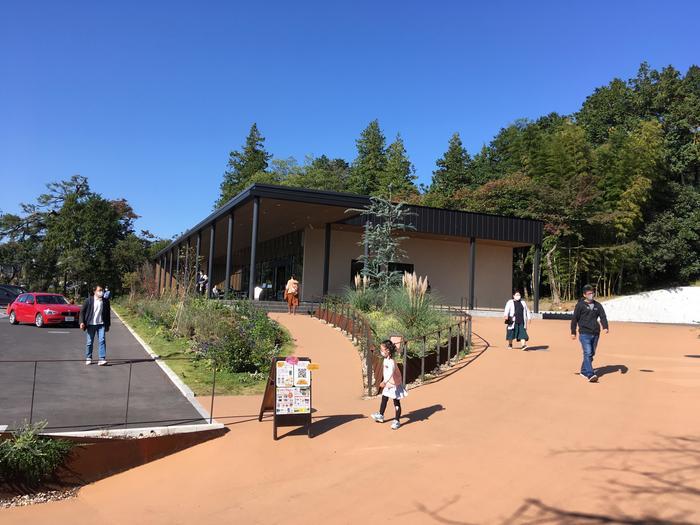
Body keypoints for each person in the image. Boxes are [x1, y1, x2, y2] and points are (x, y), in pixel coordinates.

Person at [571, 284, 609, 383]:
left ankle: (583, 371)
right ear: (584, 295)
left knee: (591, 353)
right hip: (584, 333)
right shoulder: (580, 305)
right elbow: (574, 319)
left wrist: (605, 327)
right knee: (587, 352)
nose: (591, 295)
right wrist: (573, 332)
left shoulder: (598, 305)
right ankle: (590, 374)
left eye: (592, 293)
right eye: (589, 293)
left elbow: (603, 316)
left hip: (596, 333)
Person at [370, 340, 407, 430]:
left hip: (395, 385)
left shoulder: (391, 362)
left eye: (382, 350)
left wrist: (384, 381)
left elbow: (390, 372)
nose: (381, 351)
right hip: (388, 384)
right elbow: (386, 372)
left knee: (396, 402)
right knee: (384, 398)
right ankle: (381, 415)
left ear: (388, 351)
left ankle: (397, 420)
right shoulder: (385, 360)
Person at [79, 285, 111, 366]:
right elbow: (82, 311)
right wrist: (81, 322)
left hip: (101, 324)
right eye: (99, 290)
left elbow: (107, 314)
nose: (101, 292)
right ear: (94, 292)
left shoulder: (105, 301)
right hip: (91, 324)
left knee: (102, 341)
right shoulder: (88, 300)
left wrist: (108, 325)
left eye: (102, 290)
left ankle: (101, 359)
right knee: (89, 342)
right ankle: (88, 357)